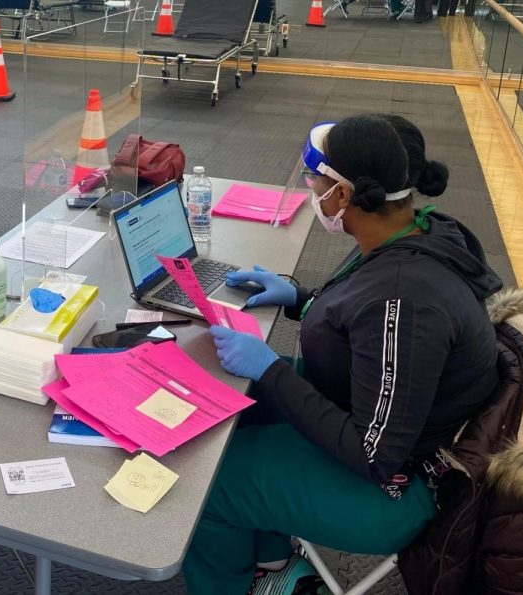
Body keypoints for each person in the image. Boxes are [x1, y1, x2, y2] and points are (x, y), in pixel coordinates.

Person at [183, 114, 502, 595]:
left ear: (343, 195)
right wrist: (300, 298)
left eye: (316, 178)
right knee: (232, 401)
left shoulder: (405, 299)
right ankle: (272, 564)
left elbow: (374, 454)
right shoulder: (416, 230)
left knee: (208, 483)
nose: (311, 187)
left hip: (396, 491)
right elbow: (365, 322)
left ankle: (237, 582)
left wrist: (269, 369)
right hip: (375, 416)